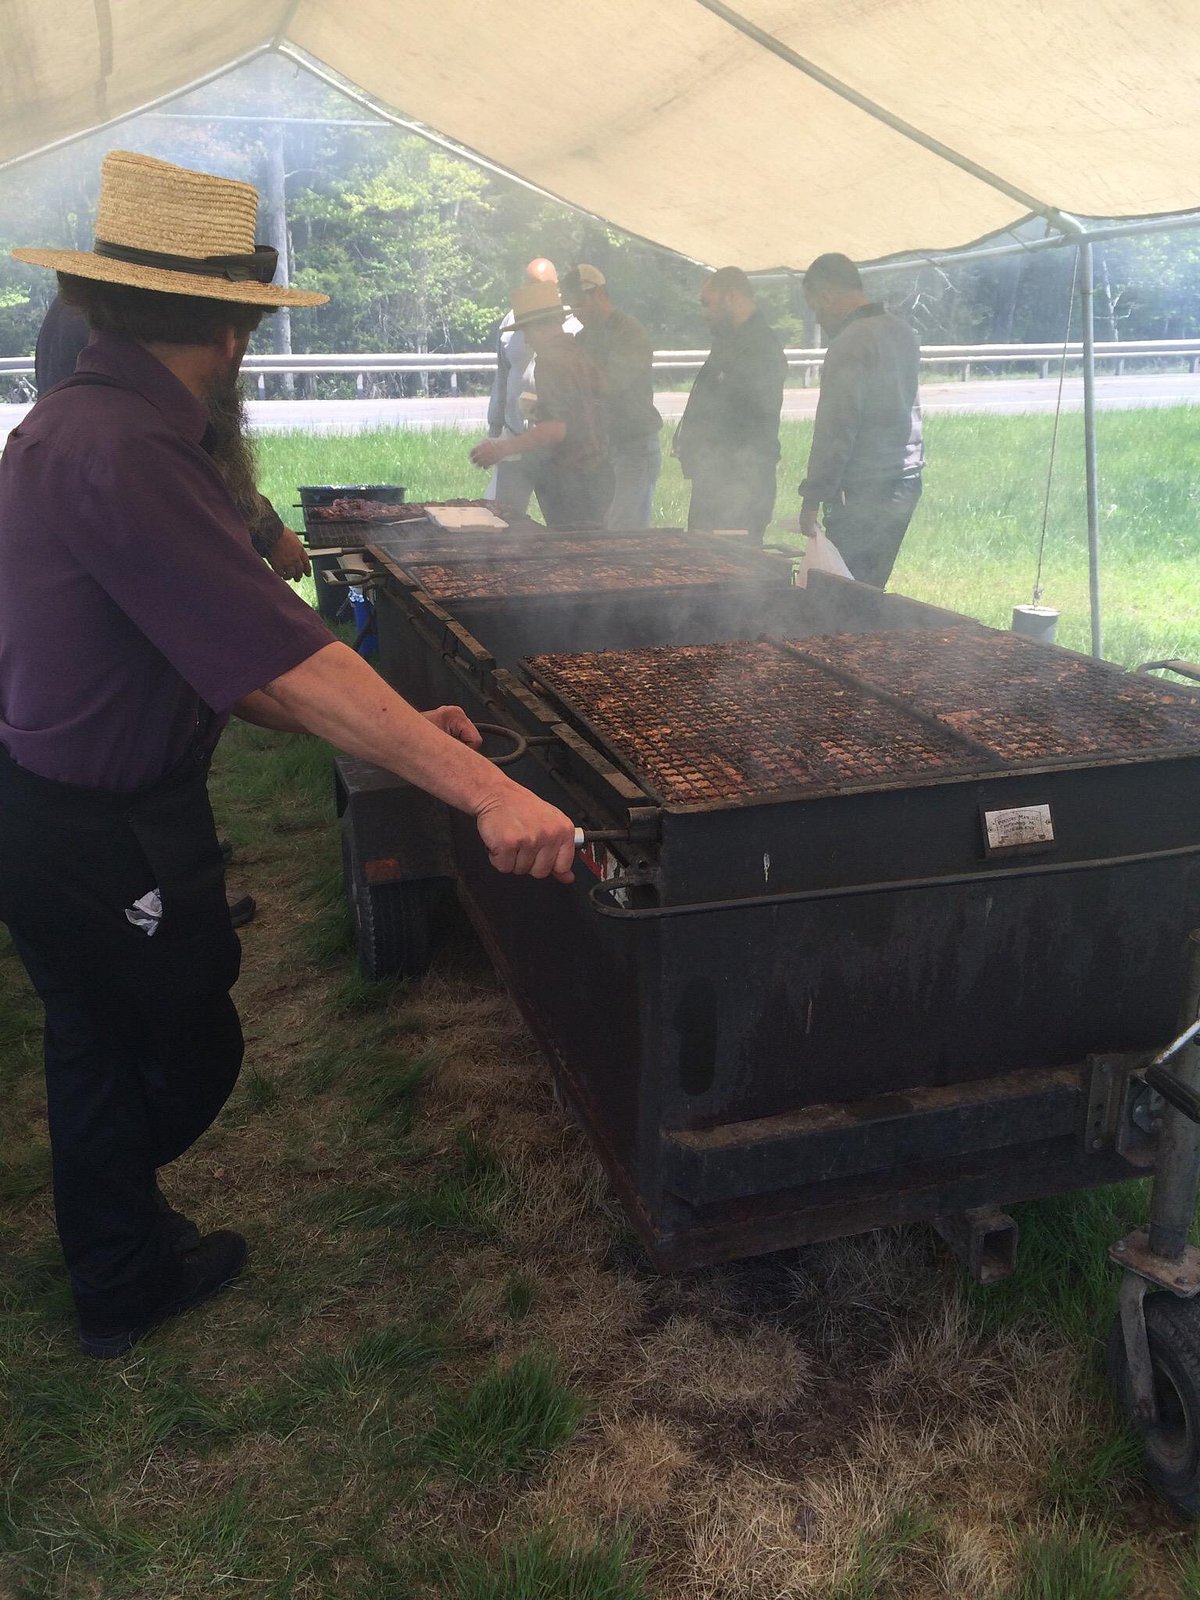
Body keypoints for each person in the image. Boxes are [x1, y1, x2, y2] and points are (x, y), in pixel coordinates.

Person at [1, 149, 577, 1360]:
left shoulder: (86, 424)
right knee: (183, 1040)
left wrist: (411, 735)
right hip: (96, 828)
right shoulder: (127, 452)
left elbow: (227, 655)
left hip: (65, 808)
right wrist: (489, 795)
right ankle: (114, 1234)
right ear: (228, 330)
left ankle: (115, 1261)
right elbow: (289, 662)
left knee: (98, 1036)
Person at [34, 291, 311, 585]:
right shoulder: (138, 437)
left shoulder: (77, 305)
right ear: (225, 338)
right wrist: (270, 532)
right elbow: (205, 457)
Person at [798, 252, 924, 588]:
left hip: (864, 490)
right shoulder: (904, 332)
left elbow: (836, 430)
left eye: (816, 309)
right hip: (906, 481)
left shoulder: (850, 342)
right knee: (869, 588)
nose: (819, 319)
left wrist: (813, 497)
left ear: (827, 296)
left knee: (841, 594)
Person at [470, 281, 612, 529]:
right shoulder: (579, 352)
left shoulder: (551, 362)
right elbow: (580, 412)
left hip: (573, 481)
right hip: (597, 472)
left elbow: (556, 429)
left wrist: (502, 448)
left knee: (571, 555)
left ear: (541, 326)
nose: (527, 341)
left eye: (527, 331)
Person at [672, 266, 786, 539]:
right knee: (704, 565)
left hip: (739, 490)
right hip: (715, 484)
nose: (704, 313)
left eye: (707, 303)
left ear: (732, 296)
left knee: (731, 573)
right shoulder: (728, 342)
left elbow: (749, 424)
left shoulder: (760, 348)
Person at [559, 264, 661, 530]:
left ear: (600, 293)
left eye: (580, 304)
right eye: (572, 308)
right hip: (602, 448)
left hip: (634, 445)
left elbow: (608, 385)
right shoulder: (582, 337)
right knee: (603, 526)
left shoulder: (630, 333)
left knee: (623, 531)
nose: (577, 314)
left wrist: (574, 359)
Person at [484, 258, 580, 516]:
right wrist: (496, 431)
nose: (527, 336)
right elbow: (502, 378)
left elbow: (560, 423)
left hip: (555, 450)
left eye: (545, 285)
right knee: (504, 518)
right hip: (515, 434)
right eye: (531, 284)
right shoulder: (510, 322)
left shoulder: (571, 329)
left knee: (562, 522)